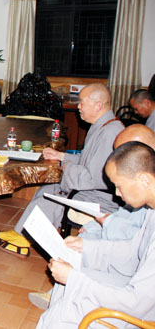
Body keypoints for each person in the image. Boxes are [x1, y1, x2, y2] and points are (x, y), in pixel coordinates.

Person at [0, 84, 124, 258]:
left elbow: (91, 179)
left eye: (82, 102)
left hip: (100, 198)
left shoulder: (110, 133)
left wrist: (67, 167)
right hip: (93, 191)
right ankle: (24, 234)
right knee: (46, 190)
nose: (78, 107)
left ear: (98, 105)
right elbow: (88, 159)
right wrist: (61, 155)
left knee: (51, 196)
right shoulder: (103, 126)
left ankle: (22, 238)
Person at [28, 124, 155, 310]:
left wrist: (74, 280)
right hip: (131, 278)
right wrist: (88, 246)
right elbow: (133, 250)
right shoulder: (149, 203)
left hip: (137, 308)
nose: (117, 194)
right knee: (81, 248)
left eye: (119, 187)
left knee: (70, 293)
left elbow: (137, 301)